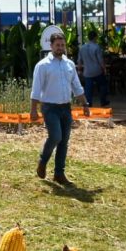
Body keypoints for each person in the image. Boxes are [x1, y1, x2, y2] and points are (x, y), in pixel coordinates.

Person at [30, 32, 90, 186]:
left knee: (64, 141)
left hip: (65, 107)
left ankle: (59, 173)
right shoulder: (42, 65)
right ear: (51, 46)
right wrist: (33, 109)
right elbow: (36, 89)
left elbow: (76, 86)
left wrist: (85, 104)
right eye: (57, 45)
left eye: (62, 45)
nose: (60, 48)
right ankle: (43, 161)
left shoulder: (69, 64)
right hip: (49, 107)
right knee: (56, 136)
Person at [76, 30, 109, 107]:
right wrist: (104, 69)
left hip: (87, 72)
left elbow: (79, 61)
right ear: (95, 37)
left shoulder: (82, 48)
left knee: (88, 88)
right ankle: (103, 101)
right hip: (97, 71)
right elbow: (100, 60)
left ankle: (89, 103)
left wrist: (79, 70)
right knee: (103, 85)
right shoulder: (96, 47)